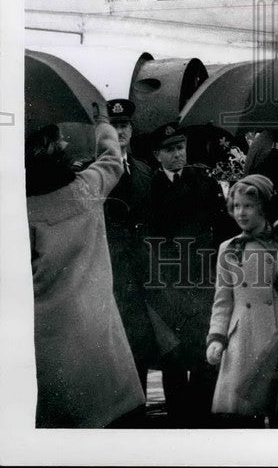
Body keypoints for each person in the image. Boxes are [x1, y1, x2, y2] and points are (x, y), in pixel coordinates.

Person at [26, 114, 145, 428]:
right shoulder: (86, 188)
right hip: (97, 334)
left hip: (46, 340)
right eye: (59, 139)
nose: (65, 142)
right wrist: (102, 121)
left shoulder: (20, 208)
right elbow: (112, 159)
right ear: (51, 149)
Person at [145, 121, 237, 426]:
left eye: (180, 147)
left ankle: (202, 419)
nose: (177, 154)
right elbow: (150, 241)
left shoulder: (202, 179)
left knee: (204, 352)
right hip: (170, 284)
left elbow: (221, 225)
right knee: (173, 356)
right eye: (170, 150)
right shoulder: (151, 187)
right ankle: (177, 423)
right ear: (157, 155)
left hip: (202, 278)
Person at [206, 175, 278, 424]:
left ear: (263, 207)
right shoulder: (229, 248)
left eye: (248, 206)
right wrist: (216, 338)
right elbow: (223, 299)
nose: (241, 213)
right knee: (243, 412)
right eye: (236, 206)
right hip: (243, 337)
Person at [104, 97, 158, 393]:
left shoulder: (144, 170)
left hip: (141, 272)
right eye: (114, 126)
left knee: (141, 343)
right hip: (112, 271)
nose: (120, 131)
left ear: (132, 129)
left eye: (124, 124)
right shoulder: (95, 172)